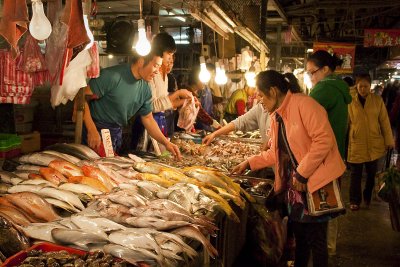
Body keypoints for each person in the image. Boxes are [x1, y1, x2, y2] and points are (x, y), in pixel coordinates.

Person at [232, 70, 346, 267]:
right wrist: (249, 162)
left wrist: (302, 174)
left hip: (317, 181)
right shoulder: (278, 116)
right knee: (300, 236)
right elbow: (276, 152)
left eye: (260, 94)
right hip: (297, 186)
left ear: (274, 92)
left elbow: (324, 140)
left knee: (316, 239)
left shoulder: (305, 105)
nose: (259, 100)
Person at [80, 48, 181, 159]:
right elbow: (81, 99)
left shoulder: (146, 88)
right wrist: (91, 129)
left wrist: (166, 143)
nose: (157, 71)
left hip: (116, 132)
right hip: (95, 130)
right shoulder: (112, 76)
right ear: (141, 61)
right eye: (155, 66)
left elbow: (148, 118)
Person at [306, 50, 352, 256]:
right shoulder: (339, 88)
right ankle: (329, 246)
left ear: (325, 69)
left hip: (323, 158)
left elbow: (303, 121)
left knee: (323, 206)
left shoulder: (323, 89)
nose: (311, 78)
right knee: (331, 203)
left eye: (312, 73)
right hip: (336, 156)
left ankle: (323, 249)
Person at [347, 74, 394, 211]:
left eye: (365, 86)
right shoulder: (350, 101)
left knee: (371, 174)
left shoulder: (377, 100)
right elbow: (346, 123)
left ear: (370, 86)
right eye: (360, 86)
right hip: (356, 143)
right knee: (355, 175)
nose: (362, 89)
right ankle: (354, 200)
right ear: (356, 86)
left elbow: (384, 121)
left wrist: (389, 140)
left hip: (374, 143)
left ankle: (367, 196)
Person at [148, 32, 192, 136]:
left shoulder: (166, 77)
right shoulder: (151, 74)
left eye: (172, 55)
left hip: (161, 121)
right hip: (149, 123)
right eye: (169, 54)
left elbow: (165, 103)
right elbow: (153, 106)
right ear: (159, 51)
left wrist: (186, 101)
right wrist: (178, 93)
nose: (170, 58)